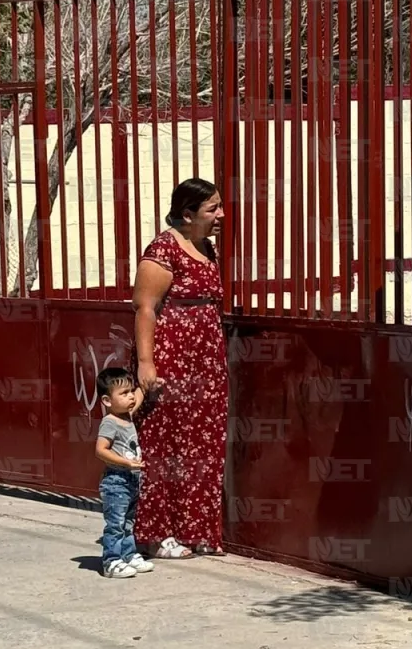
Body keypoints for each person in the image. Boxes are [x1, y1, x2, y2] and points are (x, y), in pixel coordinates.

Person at [131, 178, 228, 560]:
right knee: (164, 443)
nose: (220, 215)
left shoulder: (206, 247)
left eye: (219, 207)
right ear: (187, 214)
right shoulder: (163, 248)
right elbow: (145, 307)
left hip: (205, 360)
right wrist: (146, 363)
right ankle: (158, 534)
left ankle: (196, 528)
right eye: (212, 209)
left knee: (203, 442)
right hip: (172, 356)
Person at [94, 366, 154, 578]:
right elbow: (100, 450)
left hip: (131, 482)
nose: (130, 396)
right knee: (116, 524)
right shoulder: (110, 423)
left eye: (130, 391)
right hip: (116, 483)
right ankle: (110, 561)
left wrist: (147, 384)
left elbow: (138, 396)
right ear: (107, 401)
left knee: (128, 523)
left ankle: (128, 555)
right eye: (123, 393)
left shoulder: (127, 416)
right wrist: (125, 463)